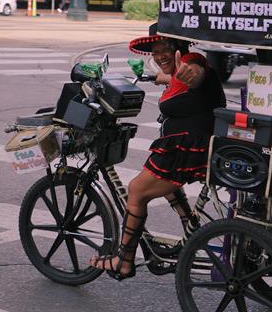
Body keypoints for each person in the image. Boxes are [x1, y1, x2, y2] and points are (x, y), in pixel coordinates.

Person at [89, 23, 226, 280]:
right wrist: (157, 77)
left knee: (137, 190)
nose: (161, 55)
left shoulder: (191, 62)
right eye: (156, 51)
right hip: (189, 148)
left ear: (180, 47)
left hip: (188, 150)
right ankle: (190, 228)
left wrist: (190, 74)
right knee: (164, 180)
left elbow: (194, 73)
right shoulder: (176, 71)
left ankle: (124, 260)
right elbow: (173, 78)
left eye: (166, 49)